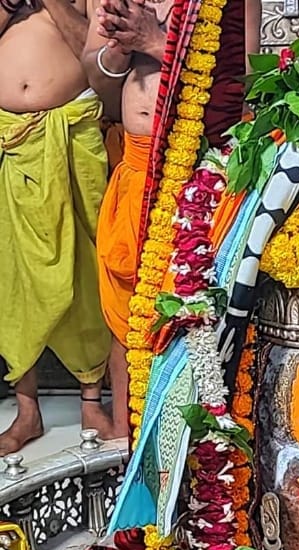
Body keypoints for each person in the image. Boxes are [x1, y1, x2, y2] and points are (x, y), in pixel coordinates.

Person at [83, 0, 261, 439]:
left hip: (203, 170)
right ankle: (133, 455)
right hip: (138, 163)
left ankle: (203, 462)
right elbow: (95, 76)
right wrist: (118, 52)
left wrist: (155, 42)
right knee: (129, 310)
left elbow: (246, 83)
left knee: (194, 314)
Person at [0, 0, 116, 455]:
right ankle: (27, 409)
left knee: (85, 267)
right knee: (13, 276)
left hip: (71, 134)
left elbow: (98, 62)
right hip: (10, 141)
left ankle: (92, 400)